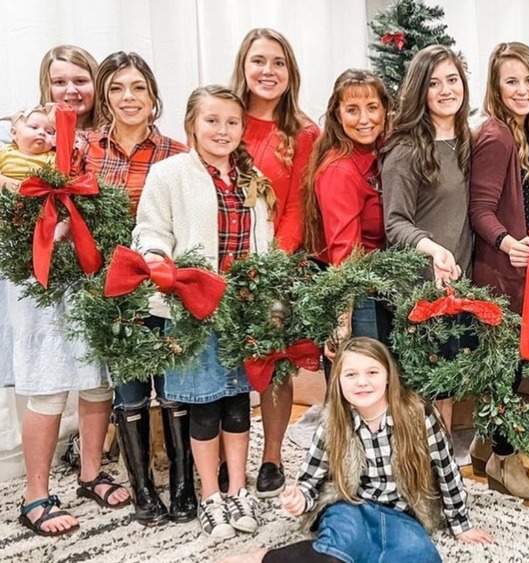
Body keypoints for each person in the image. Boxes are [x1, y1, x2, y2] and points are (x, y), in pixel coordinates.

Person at [133, 85, 275, 538]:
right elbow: (151, 228)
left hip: (242, 309)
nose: (222, 130)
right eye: (212, 120)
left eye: (232, 122)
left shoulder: (252, 178)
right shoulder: (170, 174)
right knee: (203, 406)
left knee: (237, 403)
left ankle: (238, 492)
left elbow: (263, 242)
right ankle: (210, 496)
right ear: (191, 124)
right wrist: (156, 256)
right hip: (194, 308)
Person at [3, 44, 133, 538]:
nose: (71, 89)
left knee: (98, 377)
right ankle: (35, 494)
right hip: (38, 276)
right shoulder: (25, 140)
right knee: (48, 382)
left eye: (80, 79)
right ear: (47, 85)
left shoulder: (102, 141)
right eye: (60, 81)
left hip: (92, 272)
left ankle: (91, 472)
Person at [223, 337, 491, 563]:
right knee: (339, 549)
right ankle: (261, 558)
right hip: (350, 504)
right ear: (339, 381)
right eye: (351, 375)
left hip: (403, 511)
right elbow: (310, 478)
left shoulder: (418, 415)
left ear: (388, 377)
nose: (362, 382)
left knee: (420, 555)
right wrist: (299, 498)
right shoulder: (334, 422)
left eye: (372, 373)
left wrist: (461, 524)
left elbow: (447, 471)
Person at [77, 51, 190, 526]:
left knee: (174, 387)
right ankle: (143, 488)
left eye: (138, 88)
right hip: (110, 291)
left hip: (162, 285)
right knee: (128, 392)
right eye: (118, 88)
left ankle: (183, 485)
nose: (129, 98)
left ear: (152, 95)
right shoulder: (85, 150)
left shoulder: (176, 153)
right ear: (105, 95)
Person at [230, 27, 320, 499]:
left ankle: (272, 455)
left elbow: (298, 206)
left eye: (278, 63)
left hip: (276, 268)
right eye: (259, 61)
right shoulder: (223, 118)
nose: (268, 71)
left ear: (291, 72)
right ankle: (229, 456)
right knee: (227, 364)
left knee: (274, 363)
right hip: (222, 261)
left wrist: (269, 268)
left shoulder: (303, 133)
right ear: (243, 66)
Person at [467, 41, 529, 500]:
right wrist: (506, 241)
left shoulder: (522, 134)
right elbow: (480, 210)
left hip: (518, 270)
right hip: (500, 273)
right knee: (507, 373)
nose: (522, 89)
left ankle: (483, 446)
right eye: (510, 81)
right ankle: (505, 461)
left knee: (508, 368)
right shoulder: (497, 136)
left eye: (528, 80)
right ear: (496, 89)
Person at [382, 45, 473, 432]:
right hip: (421, 289)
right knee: (426, 392)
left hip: (459, 286)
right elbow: (395, 223)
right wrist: (432, 248)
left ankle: (440, 470)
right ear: (419, 90)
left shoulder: (469, 140)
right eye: (434, 83)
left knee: (448, 387)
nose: (446, 90)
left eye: (452, 80)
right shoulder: (407, 150)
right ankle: (422, 476)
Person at [301, 68, 393, 352]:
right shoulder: (340, 169)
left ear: (386, 110)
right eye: (353, 110)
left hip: (381, 287)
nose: (365, 119)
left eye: (372, 108)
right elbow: (345, 253)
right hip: (357, 294)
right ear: (338, 115)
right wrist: (343, 321)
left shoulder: (382, 153)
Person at [0, 106, 56, 188]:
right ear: (14, 133)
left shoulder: (52, 157)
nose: (42, 133)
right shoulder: (5, 150)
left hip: (35, 196)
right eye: (34, 127)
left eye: (49, 132)